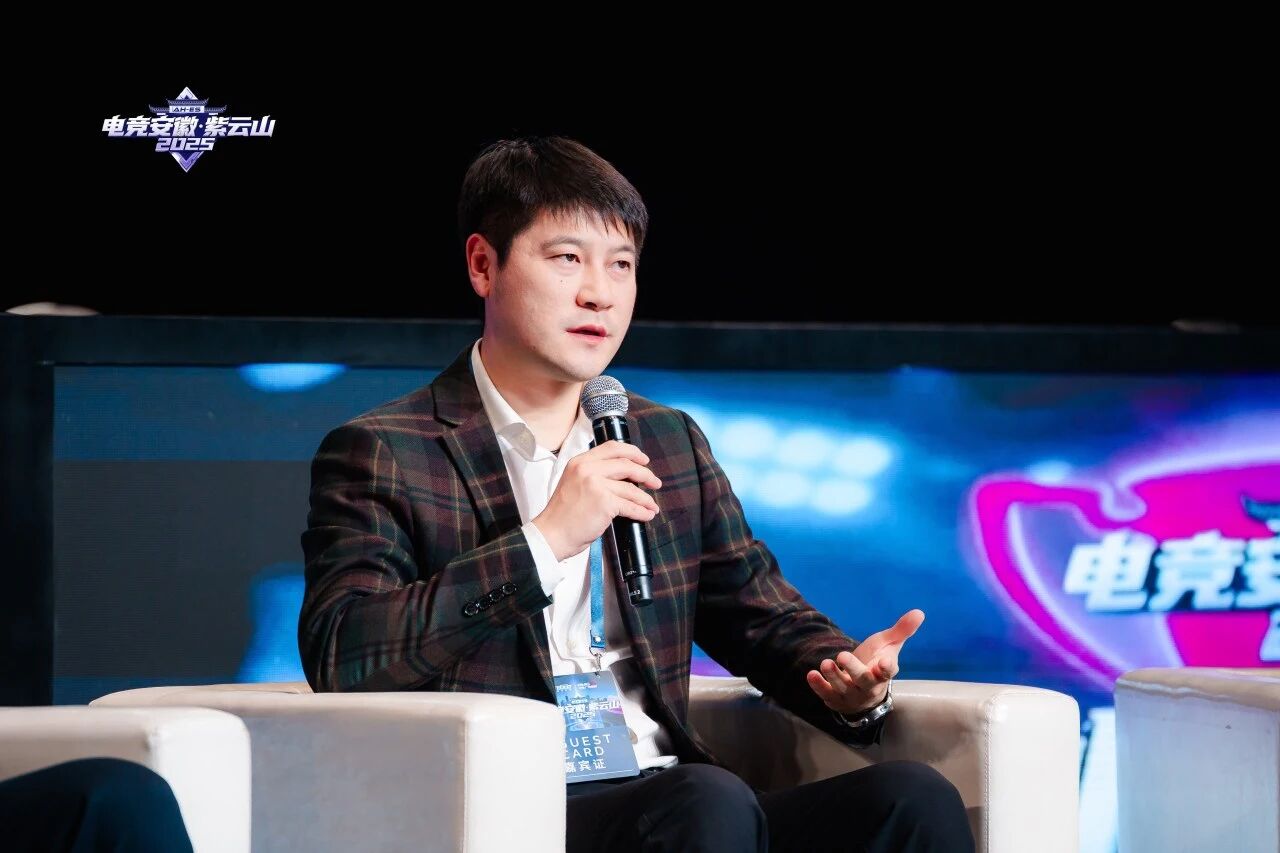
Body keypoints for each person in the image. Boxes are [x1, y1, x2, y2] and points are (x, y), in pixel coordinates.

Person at [299, 136, 972, 851]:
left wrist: (847, 677)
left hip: (668, 794)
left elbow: (760, 616)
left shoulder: (664, 438)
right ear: (483, 265)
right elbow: (345, 653)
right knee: (705, 800)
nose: (599, 292)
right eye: (567, 258)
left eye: (621, 264)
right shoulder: (387, 449)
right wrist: (544, 541)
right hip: (505, 810)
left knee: (910, 798)